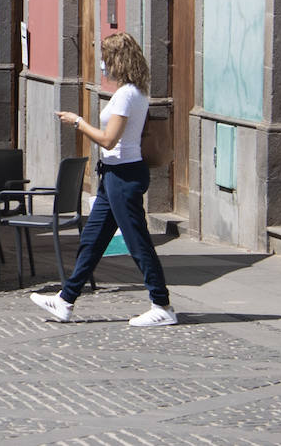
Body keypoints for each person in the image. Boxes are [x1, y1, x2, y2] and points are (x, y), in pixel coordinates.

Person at [33, 32, 177, 328]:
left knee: (138, 243)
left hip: (124, 175)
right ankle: (66, 300)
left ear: (116, 60)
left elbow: (109, 140)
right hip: (113, 174)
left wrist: (78, 122)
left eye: (105, 58)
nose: (102, 64)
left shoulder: (127, 95)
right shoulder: (131, 91)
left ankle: (161, 304)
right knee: (93, 239)